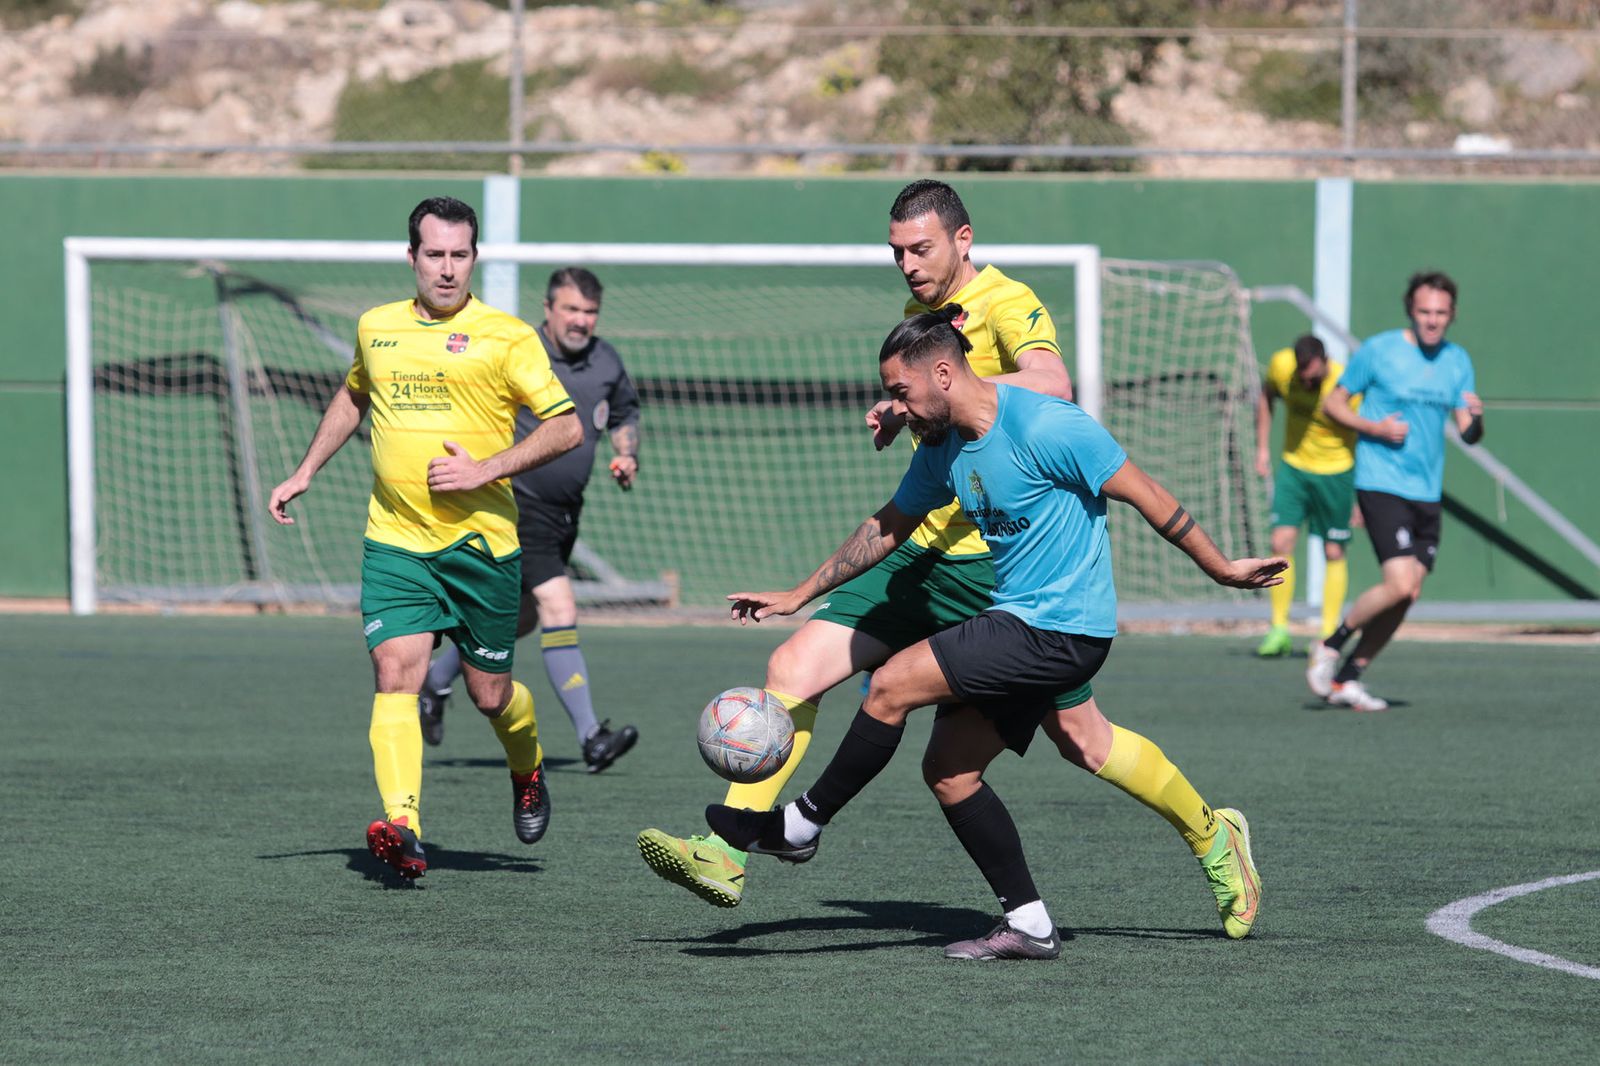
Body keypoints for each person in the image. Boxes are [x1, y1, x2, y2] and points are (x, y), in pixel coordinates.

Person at [705, 309, 1283, 959]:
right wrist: (801, 593)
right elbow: (889, 525)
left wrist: (1222, 568)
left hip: (1062, 630)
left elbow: (1148, 494)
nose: (896, 407)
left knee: (890, 685)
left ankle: (799, 825)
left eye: (902, 391)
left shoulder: (1048, 426)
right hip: (1016, 621)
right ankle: (1031, 923)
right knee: (950, 772)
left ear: (945, 373)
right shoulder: (944, 447)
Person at [636, 178, 1073, 907]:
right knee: (792, 662)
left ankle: (1209, 830)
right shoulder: (918, 314)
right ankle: (727, 850)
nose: (906, 263)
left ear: (964, 240)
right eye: (896, 250)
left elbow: (1052, 383)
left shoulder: (1008, 300)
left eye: (920, 248)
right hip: (919, 552)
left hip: (995, 570)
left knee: (1084, 742)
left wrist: (947, 387)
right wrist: (913, 411)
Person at [268, 196, 582, 879]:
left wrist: (486, 467)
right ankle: (404, 826)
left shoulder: (506, 336)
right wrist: (305, 470)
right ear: (411, 257)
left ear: (475, 258)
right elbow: (355, 395)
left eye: (459, 255)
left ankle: (525, 769)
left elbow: (566, 426)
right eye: (434, 254)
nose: (446, 269)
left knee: (490, 696)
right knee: (395, 673)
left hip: (481, 549)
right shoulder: (376, 328)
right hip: (396, 541)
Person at [418, 267, 641, 773]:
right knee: (558, 604)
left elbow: (625, 413)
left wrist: (627, 455)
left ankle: (434, 682)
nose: (581, 321)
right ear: (548, 308)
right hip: (516, 505)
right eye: (571, 310)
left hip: (565, 515)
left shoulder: (607, 359)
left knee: (521, 619)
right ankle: (591, 736)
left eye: (589, 312)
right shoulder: (520, 349)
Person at [1307, 271, 1484, 711]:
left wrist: (1476, 418)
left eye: (1441, 313)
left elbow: (1470, 433)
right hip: (1381, 481)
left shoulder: (1457, 360)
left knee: (1410, 593)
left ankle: (1348, 679)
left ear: (1452, 315)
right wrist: (1375, 427)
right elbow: (1333, 404)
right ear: (1411, 309)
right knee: (1399, 582)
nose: (1432, 320)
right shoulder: (1380, 351)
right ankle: (1331, 644)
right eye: (1424, 311)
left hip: (1427, 490)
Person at [1252, 334, 1358, 657]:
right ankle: (1279, 628)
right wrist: (1262, 448)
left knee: (1334, 550)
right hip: (1295, 468)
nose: (1307, 384)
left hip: (1336, 471)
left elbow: (1364, 434)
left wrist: (1360, 493)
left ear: (1325, 363)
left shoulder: (1345, 385)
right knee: (1280, 544)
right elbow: (1266, 396)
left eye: (1314, 378)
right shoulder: (1282, 366)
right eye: (1303, 378)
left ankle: (1328, 635)